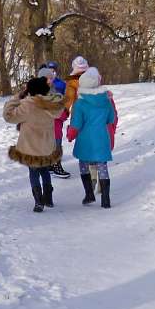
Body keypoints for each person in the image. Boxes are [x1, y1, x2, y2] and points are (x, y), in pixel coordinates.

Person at [3, 75, 64, 212]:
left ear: (30, 91)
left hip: (31, 147)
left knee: (34, 172)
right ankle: (48, 197)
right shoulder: (52, 105)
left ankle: (38, 201)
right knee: (45, 169)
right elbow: (59, 103)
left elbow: (8, 116)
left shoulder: (28, 105)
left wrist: (17, 97)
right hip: (47, 146)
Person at [66, 66, 117, 208]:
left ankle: (89, 194)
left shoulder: (80, 103)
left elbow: (76, 125)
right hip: (101, 138)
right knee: (102, 167)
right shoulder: (106, 100)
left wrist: (70, 135)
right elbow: (111, 119)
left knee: (83, 165)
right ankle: (106, 200)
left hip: (85, 140)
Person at [37, 61, 71, 179]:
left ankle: (51, 166)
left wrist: (65, 111)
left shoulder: (61, 84)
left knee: (55, 143)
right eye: (49, 70)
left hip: (55, 123)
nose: (52, 72)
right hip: (50, 124)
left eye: (53, 69)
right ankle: (55, 167)